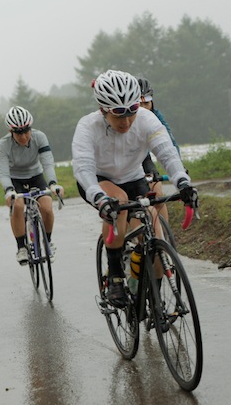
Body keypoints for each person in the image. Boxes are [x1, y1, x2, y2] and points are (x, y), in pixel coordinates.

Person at [72, 69, 198, 307]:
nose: (127, 121)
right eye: (119, 115)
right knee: (117, 202)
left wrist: (183, 182)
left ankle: (155, 300)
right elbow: (83, 168)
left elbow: (167, 153)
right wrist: (99, 198)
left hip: (133, 176)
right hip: (99, 180)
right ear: (103, 110)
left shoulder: (147, 119)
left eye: (132, 112)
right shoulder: (87, 127)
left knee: (153, 229)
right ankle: (116, 276)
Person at [0, 106, 64, 265]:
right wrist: (8, 190)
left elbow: (47, 163)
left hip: (36, 176)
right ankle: (21, 247)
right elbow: (3, 173)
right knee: (17, 206)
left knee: (46, 207)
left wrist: (53, 183)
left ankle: (48, 242)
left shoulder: (40, 137)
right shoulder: (3, 145)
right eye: (19, 133)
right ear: (11, 132)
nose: (24, 136)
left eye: (27, 131)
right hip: (15, 179)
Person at [137, 76, 182, 225]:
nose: (144, 108)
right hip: (130, 160)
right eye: (139, 104)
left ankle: (164, 238)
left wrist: (178, 169)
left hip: (145, 158)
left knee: (158, 195)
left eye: (146, 103)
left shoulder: (156, 115)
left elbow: (170, 142)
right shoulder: (126, 118)